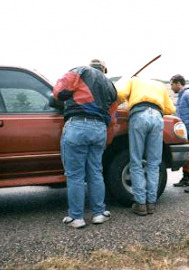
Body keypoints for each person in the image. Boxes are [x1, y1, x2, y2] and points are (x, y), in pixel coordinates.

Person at [53, 59, 118, 228]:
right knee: (95, 172)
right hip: (99, 129)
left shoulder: (81, 70)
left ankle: (77, 217)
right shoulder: (111, 85)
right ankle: (98, 213)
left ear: (91, 65)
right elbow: (112, 118)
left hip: (78, 125)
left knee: (75, 175)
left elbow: (59, 92)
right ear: (104, 69)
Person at [117, 76, 175, 216]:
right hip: (157, 117)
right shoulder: (160, 85)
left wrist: (126, 102)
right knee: (154, 163)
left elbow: (119, 94)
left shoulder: (132, 80)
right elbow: (170, 108)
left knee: (136, 161)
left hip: (139, 116)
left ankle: (140, 204)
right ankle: (151, 203)